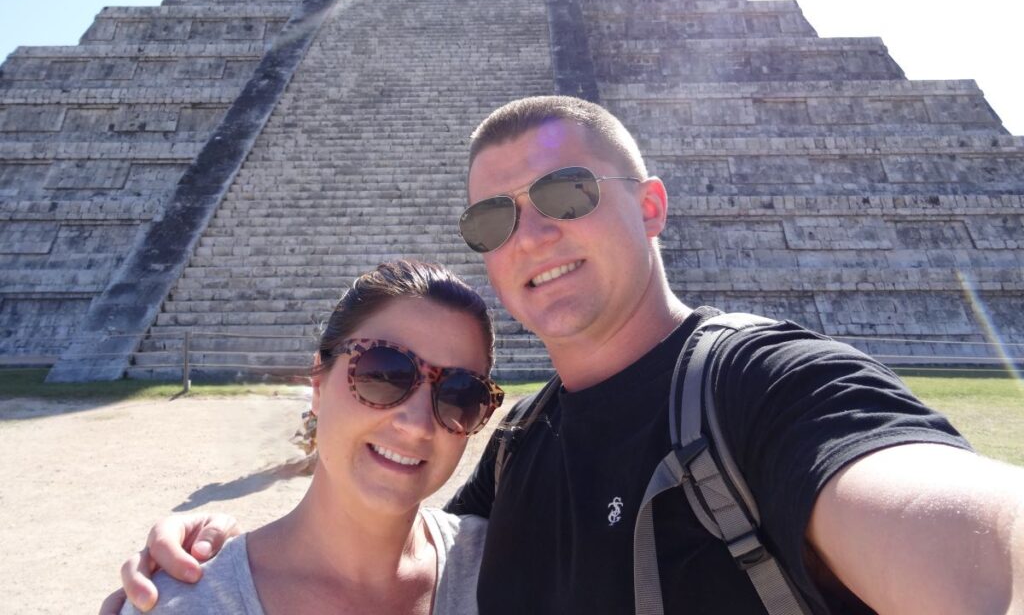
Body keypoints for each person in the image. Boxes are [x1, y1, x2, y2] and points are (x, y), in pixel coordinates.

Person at [110, 97, 1024, 614]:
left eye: (567, 190)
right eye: (494, 217)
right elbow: (375, 498)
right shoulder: (513, 461)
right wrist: (218, 555)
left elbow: (974, 535)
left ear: (654, 205)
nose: (533, 232)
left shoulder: (758, 387)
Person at [116, 259, 501, 614]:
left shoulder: (506, 570)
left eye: (462, 395)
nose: (416, 424)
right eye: (384, 373)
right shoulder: (185, 602)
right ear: (318, 383)